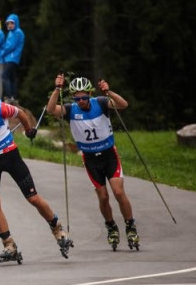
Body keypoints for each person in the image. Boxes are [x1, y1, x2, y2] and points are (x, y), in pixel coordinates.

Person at [0, 77, 73, 261]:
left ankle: (58, 229)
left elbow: (21, 114)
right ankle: (9, 245)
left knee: (33, 198)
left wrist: (28, 130)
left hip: (10, 156)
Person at [46, 74, 140, 250]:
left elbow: (123, 105)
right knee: (103, 197)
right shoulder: (71, 109)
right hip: (90, 159)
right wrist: (57, 89)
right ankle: (111, 226)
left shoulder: (102, 102)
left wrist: (109, 91)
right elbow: (51, 110)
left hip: (109, 155)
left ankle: (130, 226)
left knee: (118, 192)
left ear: (90, 93)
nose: (81, 101)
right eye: (77, 98)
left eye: (84, 97)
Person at [1, 14, 24, 105]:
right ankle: (14, 97)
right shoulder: (11, 32)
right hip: (9, 58)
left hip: (12, 57)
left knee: (4, 76)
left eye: (12, 23)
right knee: (12, 77)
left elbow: (10, 46)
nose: (10, 25)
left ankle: (8, 96)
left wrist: (2, 52)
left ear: (16, 23)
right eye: (8, 23)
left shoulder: (18, 32)